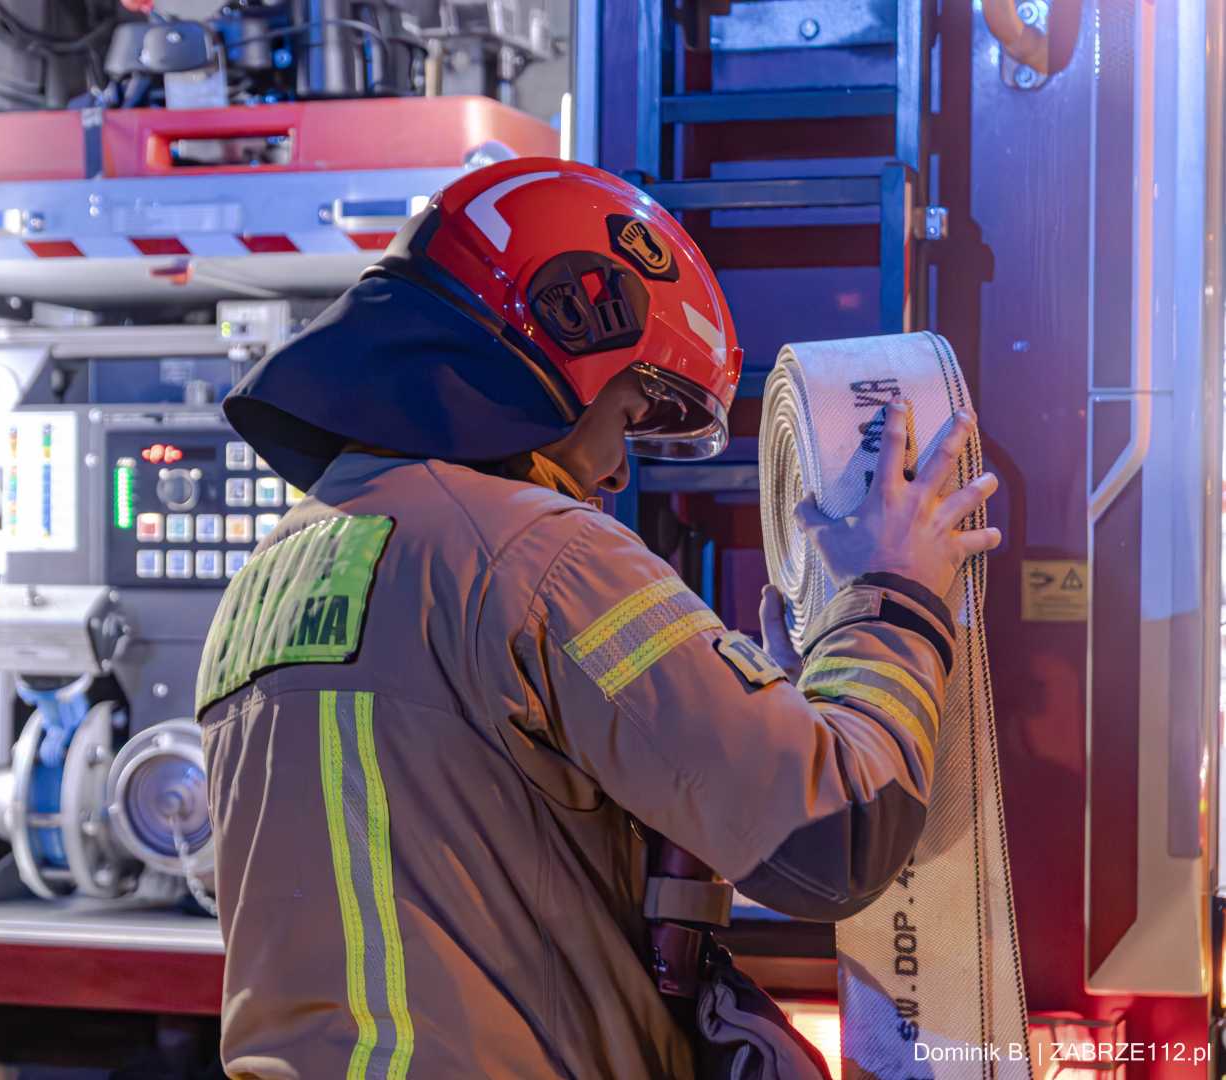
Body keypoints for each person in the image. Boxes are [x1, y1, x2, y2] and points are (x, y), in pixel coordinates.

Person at [193, 157, 1001, 1079]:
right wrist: (889, 593)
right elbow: (833, 840)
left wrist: (767, 713)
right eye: (630, 412)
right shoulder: (540, 552)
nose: (617, 471)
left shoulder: (265, 581)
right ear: (573, 332)